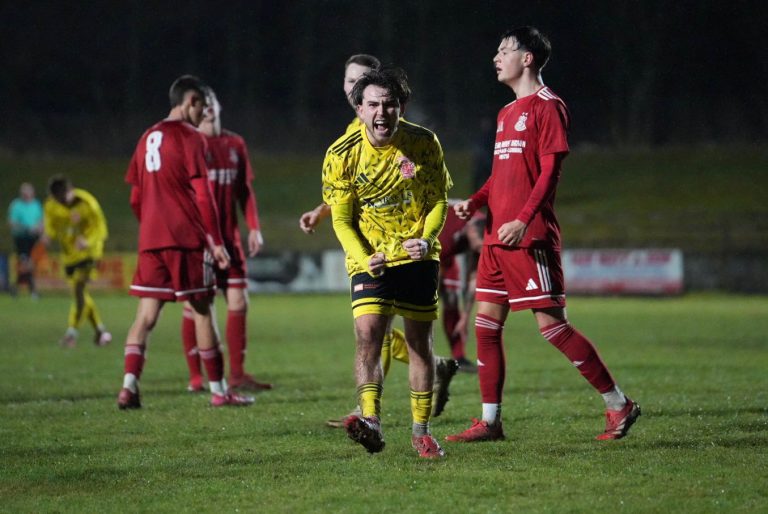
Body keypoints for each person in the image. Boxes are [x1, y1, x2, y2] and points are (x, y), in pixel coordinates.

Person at [445, 27, 640, 443]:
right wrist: (476, 203)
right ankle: (490, 421)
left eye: (504, 50)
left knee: (553, 327)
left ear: (528, 58)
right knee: (485, 327)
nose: (496, 57)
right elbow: (500, 177)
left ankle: (618, 403)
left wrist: (523, 217)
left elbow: (550, 171)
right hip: (498, 239)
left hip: (527, 237)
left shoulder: (548, 107)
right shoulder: (504, 113)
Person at [300, 54, 458, 425]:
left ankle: (418, 425)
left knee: (403, 337)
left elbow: (436, 198)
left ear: (400, 105)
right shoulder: (343, 146)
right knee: (371, 332)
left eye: (388, 104)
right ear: (358, 103)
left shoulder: (420, 142)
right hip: (369, 256)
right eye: (370, 102)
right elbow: (346, 203)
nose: (381, 111)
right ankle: (370, 416)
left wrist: (426, 236)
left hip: (414, 255)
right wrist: (339, 229)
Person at [118, 75, 253, 409]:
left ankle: (129, 386)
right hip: (187, 241)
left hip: (150, 241)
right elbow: (204, 195)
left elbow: (136, 197)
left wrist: (152, 226)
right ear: (190, 100)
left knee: (145, 316)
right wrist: (216, 241)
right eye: (202, 107)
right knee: (204, 312)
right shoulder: (192, 138)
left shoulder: (146, 136)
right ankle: (220, 391)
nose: (203, 115)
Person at [180, 86, 272, 394]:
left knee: (239, 301)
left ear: (218, 106)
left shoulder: (235, 143)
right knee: (196, 306)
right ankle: (196, 376)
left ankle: (237, 374)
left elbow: (245, 191)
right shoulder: (191, 144)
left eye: (212, 102)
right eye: (202, 104)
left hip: (230, 240)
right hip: (201, 239)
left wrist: (254, 227)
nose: (207, 109)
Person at [42, 175, 111, 347]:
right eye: (57, 199)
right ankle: (100, 331)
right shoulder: (51, 206)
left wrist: (88, 242)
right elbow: (51, 227)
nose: (61, 202)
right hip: (69, 255)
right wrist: (46, 236)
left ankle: (71, 334)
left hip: (90, 253)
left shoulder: (87, 202)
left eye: (63, 197)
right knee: (80, 293)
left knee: (79, 288)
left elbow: (101, 229)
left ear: (70, 190)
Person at [438, 202, 486, 372]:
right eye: (478, 246)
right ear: (471, 231)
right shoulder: (449, 226)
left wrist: (465, 317)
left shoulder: (483, 227)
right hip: (427, 247)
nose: (479, 250)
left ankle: (458, 357)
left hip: (446, 254)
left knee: (451, 301)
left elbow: (474, 279)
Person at [7, 182, 43, 298]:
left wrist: (39, 228)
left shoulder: (36, 205)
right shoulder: (16, 205)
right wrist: (26, 228)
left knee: (29, 264)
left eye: (28, 192)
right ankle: (33, 291)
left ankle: (15, 288)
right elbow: (12, 223)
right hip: (22, 238)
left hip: (34, 238)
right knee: (25, 263)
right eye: (24, 192)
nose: (26, 195)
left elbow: (41, 220)